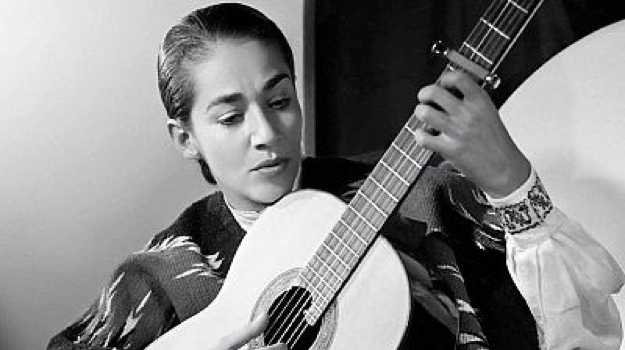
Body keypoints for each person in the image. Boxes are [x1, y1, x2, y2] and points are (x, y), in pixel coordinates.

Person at [47, 3, 624, 350]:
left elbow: (589, 325)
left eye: (279, 101)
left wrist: (508, 179)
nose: (265, 133)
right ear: (185, 137)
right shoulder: (164, 273)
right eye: (229, 116)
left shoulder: (417, 190)